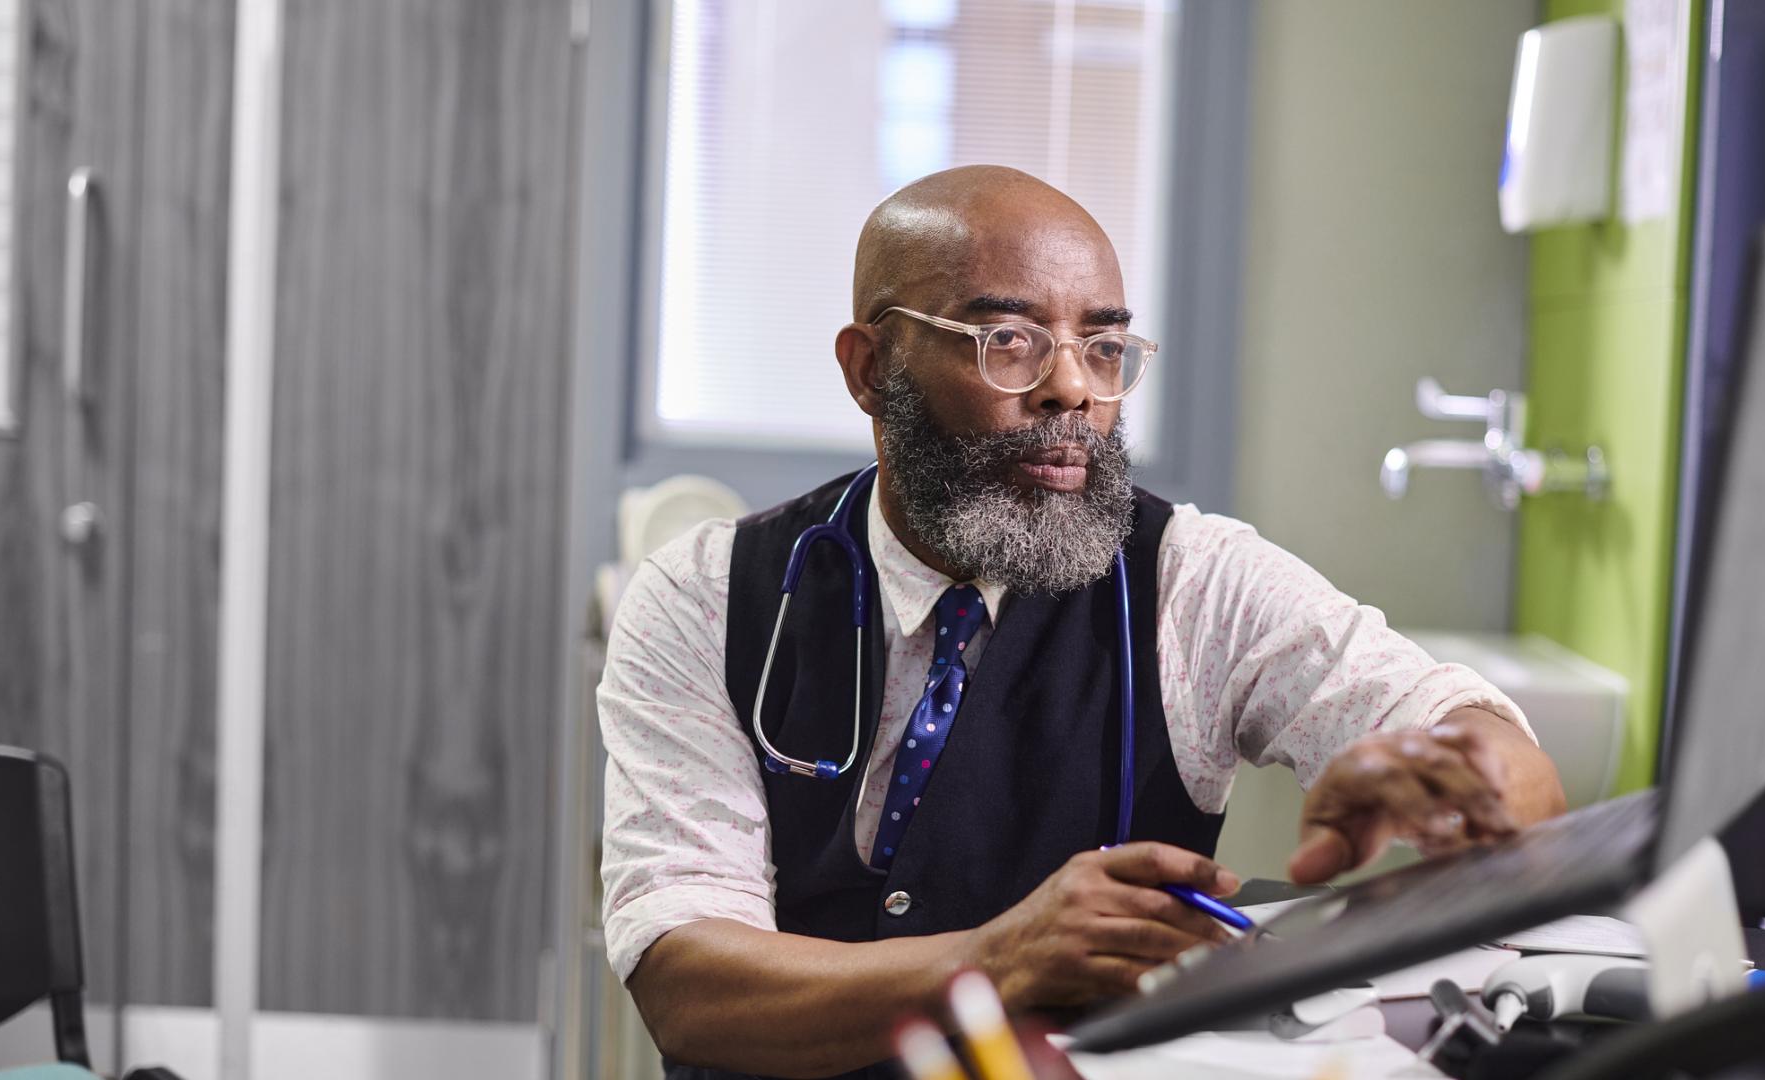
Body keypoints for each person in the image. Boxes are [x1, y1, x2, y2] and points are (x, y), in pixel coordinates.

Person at [598, 164, 1566, 1079]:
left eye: (1102, 348)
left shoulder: (1189, 579)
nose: (1071, 390)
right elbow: (684, 979)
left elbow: (1495, 750)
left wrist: (1458, 775)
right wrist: (996, 961)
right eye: (1007, 340)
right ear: (868, 369)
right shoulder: (706, 596)